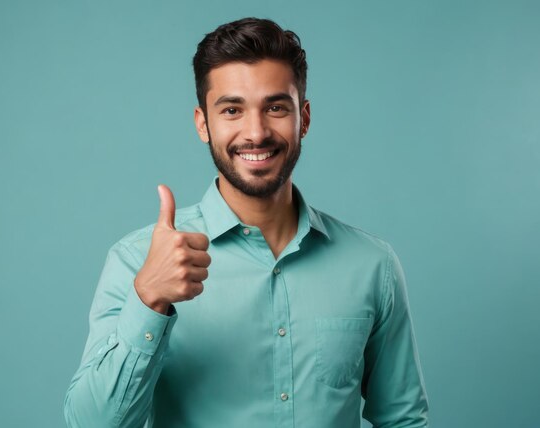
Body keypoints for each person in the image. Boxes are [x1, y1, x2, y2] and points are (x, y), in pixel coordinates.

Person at [64, 17, 429, 428]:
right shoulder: (136, 261)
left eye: (275, 108)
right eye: (232, 110)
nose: (255, 132)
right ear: (204, 123)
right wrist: (148, 299)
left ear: (303, 118)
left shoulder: (372, 265)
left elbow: (403, 420)